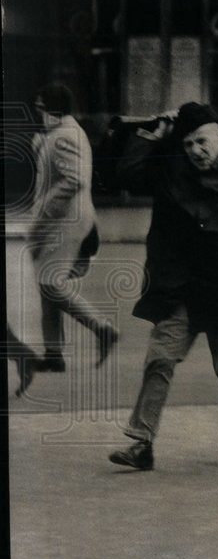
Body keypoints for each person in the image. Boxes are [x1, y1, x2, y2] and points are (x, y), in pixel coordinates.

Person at [107, 103, 218, 471]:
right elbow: (126, 175)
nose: (195, 150)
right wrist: (151, 136)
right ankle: (142, 443)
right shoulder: (172, 169)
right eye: (188, 143)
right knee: (159, 357)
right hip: (181, 288)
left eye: (202, 141)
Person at [26, 83, 118, 379]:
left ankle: (102, 328)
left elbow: (75, 179)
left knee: (50, 283)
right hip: (61, 220)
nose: (37, 111)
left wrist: (45, 213)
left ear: (51, 108)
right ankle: (53, 354)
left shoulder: (64, 135)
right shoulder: (57, 134)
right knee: (46, 284)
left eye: (40, 107)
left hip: (66, 221)